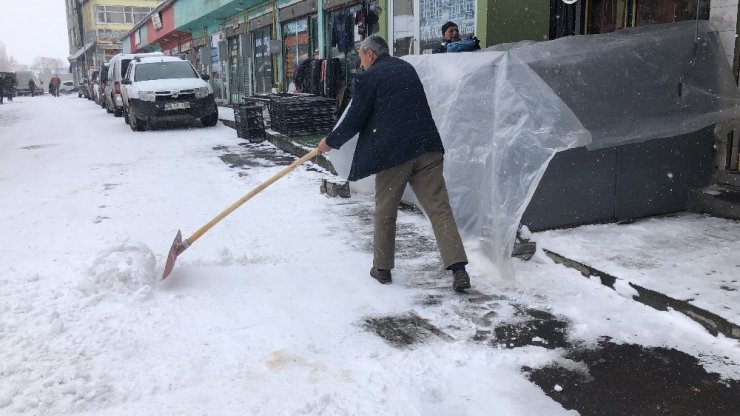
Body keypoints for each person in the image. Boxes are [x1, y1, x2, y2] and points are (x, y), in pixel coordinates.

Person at [317, 35, 471, 291]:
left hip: (394, 154)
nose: (361, 62)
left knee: (386, 209)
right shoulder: (406, 68)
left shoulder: (369, 78)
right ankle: (458, 269)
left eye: (361, 56)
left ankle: (382, 268)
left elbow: (355, 119)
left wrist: (330, 142)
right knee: (439, 209)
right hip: (427, 147)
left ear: (370, 54)